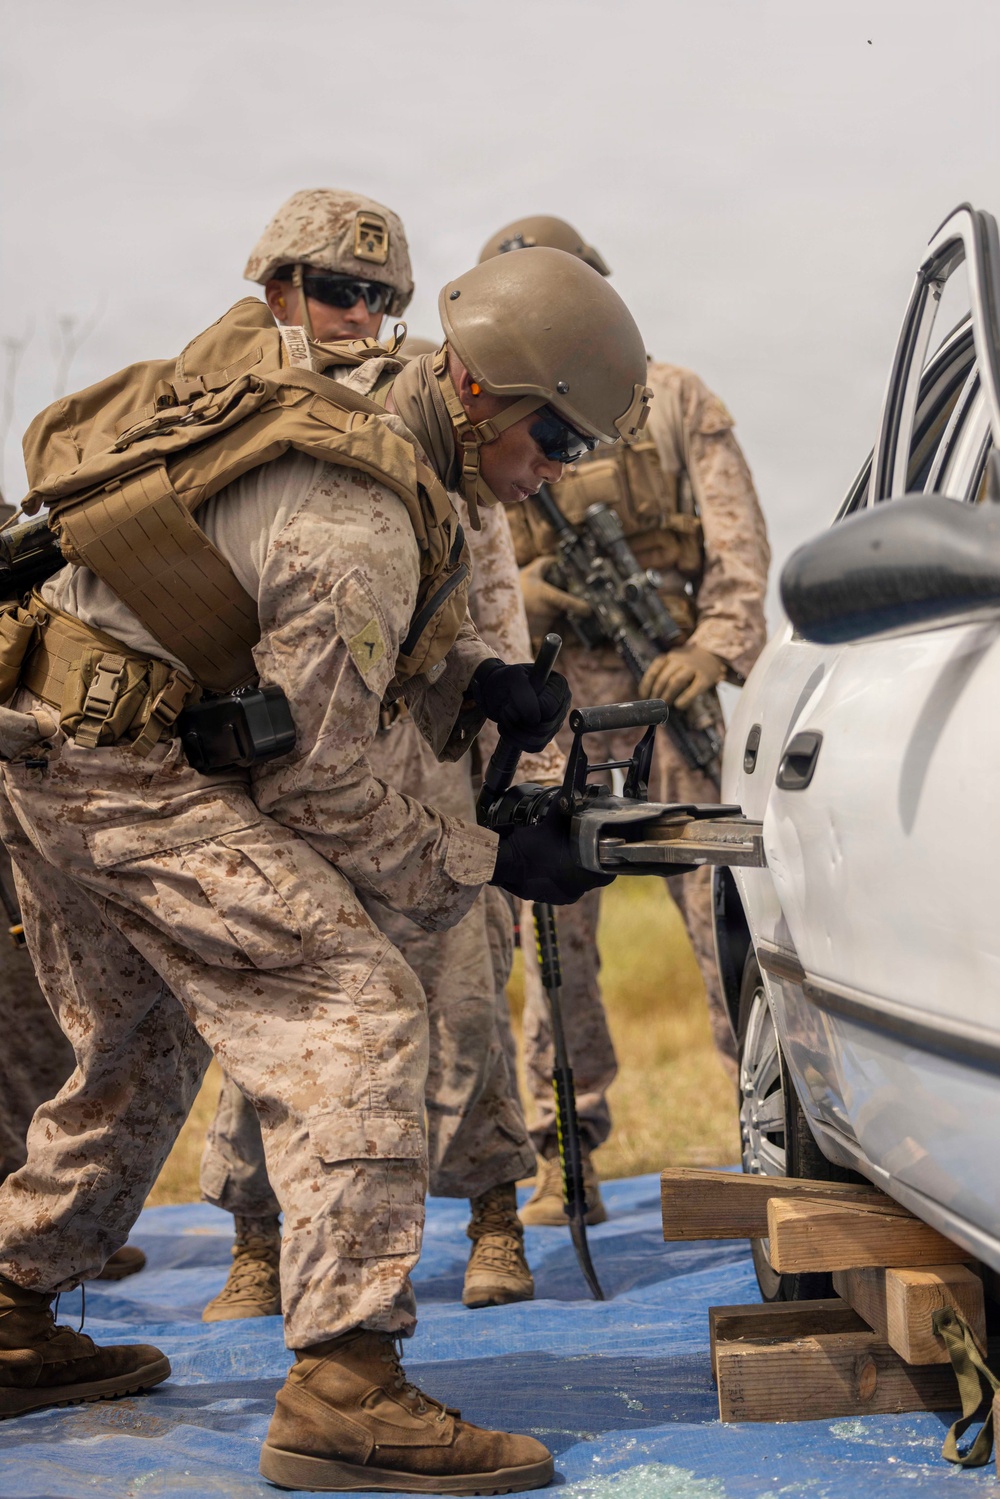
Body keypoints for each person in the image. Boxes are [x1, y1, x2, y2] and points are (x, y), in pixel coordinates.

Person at [0, 222, 648, 1494]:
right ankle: (347, 1384)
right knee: (355, 1004)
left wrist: (483, 682)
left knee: (138, 1044)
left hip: (63, 737)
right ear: (481, 390)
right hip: (119, 768)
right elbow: (322, 776)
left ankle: (13, 1312)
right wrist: (486, 859)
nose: (553, 475)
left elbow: (343, 666)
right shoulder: (354, 510)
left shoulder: (401, 438)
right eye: (554, 439)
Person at [199, 194, 555, 1321]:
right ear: (278, 292)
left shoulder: (424, 412)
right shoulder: (236, 414)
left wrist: (511, 716)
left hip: (416, 744)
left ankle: (491, 1212)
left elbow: (483, 585)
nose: (361, 314)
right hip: (274, 751)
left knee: (460, 990)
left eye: (384, 297)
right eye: (339, 290)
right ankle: (258, 1237)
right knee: (272, 1000)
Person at [483, 216, 771, 1227]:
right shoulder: (491, 422)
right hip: (558, 719)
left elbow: (737, 550)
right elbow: (465, 569)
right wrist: (528, 591)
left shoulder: (678, 398)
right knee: (555, 928)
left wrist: (714, 647)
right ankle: (569, 1147)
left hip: (670, 709)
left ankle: (763, 1127)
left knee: (723, 910)